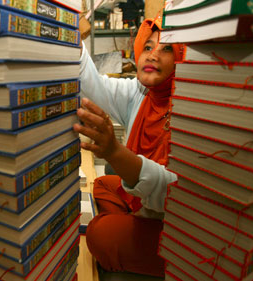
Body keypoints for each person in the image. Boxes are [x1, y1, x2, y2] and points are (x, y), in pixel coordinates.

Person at [73, 17, 184, 277]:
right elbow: (95, 86)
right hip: (151, 204)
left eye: (167, 48)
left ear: (183, 56)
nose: (153, 55)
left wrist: (115, 152)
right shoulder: (142, 92)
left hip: (178, 221)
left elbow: (178, 194)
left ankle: (132, 229)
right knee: (102, 184)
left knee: (99, 234)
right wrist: (72, 38)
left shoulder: (190, 105)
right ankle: (135, 220)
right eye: (147, 47)